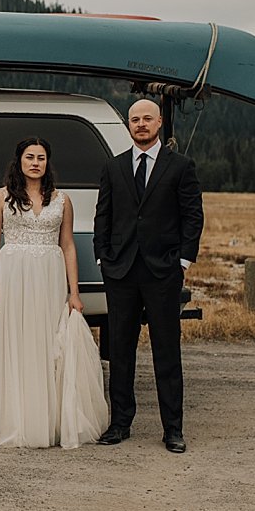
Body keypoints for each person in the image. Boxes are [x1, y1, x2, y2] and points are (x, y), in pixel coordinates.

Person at [0, 137, 110, 449]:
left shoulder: (62, 200)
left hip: (49, 276)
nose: (35, 162)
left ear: (48, 163)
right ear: (19, 161)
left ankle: (47, 419)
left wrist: (74, 292)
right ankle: (18, 419)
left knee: (47, 344)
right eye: (30, 157)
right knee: (17, 344)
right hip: (14, 274)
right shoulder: (0, 199)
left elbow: (68, 245)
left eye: (41, 158)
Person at [93, 98, 204, 453]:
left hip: (163, 272)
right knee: (120, 351)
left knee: (166, 352)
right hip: (121, 272)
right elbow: (103, 216)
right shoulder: (113, 167)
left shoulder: (181, 166)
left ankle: (173, 429)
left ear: (159, 123)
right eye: (134, 119)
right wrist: (103, 259)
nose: (140, 124)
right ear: (129, 125)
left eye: (147, 119)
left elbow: (192, 217)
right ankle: (119, 424)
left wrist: (183, 262)